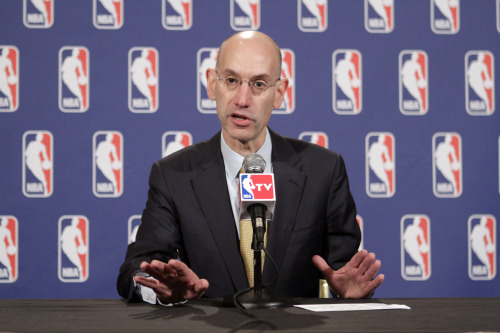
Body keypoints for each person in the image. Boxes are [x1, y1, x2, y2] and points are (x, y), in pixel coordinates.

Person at [117, 31, 384, 305]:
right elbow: (138, 266)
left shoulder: (323, 171)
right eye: (231, 80)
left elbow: (343, 271)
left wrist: (348, 292)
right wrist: (158, 288)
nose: (242, 99)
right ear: (212, 84)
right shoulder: (174, 176)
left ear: (279, 93)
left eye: (258, 84)